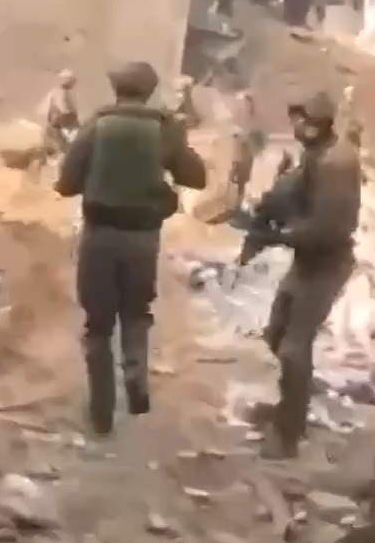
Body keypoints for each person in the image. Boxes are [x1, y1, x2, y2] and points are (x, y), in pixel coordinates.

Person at [54, 61, 207, 436]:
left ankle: (101, 413)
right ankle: (136, 374)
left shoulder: (96, 125)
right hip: (142, 239)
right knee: (136, 314)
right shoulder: (164, 127)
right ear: (150, 89)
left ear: (116, 87)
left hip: (100, 237)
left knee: (98, 328)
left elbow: (66, 183)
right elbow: (196, 177)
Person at [257, 91, 361, 459]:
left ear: (317, 123)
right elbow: (295, 191)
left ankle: (288, 434)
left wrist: (278, 236)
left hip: (326, 265)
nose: (296, 126)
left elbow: (329, 228)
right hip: (307, 261)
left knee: (293, 348)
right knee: (276, 334)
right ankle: (293, 403)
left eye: (301, 119)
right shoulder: (316, 154)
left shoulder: (336, 162)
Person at [227, 91, 265, 211]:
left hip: (245, 154)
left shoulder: (252, 122)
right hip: (240, 154)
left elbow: (256, 138)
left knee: (242, 179)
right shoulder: (238, 122)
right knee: (237, 179)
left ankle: (238, 202)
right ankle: (236, 202)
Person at [40, 70, 80, 161]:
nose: (74, 83)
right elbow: (66, 112)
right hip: (62, 125)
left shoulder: (59, 93)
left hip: (61, 125)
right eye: (73, 81)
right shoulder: (59, 94)